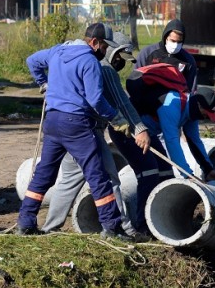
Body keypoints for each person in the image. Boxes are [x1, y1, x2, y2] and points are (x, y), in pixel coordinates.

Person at [16, 23, 130, 240]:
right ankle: (112, 227)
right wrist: (116, 118)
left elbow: (32, 61)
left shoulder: (58, 51)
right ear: (94, 42)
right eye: (105, 46)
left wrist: (43, 83)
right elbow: (95, 98)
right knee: (97, 175)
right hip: (76, 124)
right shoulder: (89, 61)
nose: (105, 51)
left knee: (43, 174)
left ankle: (25, 222)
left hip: (53, 121)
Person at [41, 32, 152, 241]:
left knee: (68, 180)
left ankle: (49, 228)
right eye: (119, 57)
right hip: (87, 132)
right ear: (108, 49)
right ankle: (122, 228)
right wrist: (140, 129)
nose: (120, 63)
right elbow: (122, 104)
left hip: (64, 128)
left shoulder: (71, 60)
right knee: (110, 179)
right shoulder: (106, 70)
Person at [110, 76, 215, 235]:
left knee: (166, 172)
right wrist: (187, 174)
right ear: (198, 104)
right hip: (127, 132)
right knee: (148, 172)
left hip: (148, 133)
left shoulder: (192, 113)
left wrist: (208, 168)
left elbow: (194, 141)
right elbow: (172, 141)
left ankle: (161, 220)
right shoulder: (173, 105)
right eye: (207, 113)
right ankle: (143, 227)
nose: (206, 117)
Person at [135, 19, 198, 91]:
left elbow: (190, 89)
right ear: (166, 38)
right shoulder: (147, 53)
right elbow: (135, 80)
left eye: (179, 42)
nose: (176, 45)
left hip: (175, 100)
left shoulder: (188, 60)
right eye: (173, 41)